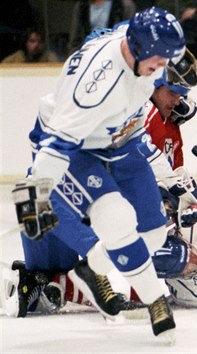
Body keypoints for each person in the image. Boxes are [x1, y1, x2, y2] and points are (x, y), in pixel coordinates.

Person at [10, 7, 187, 341]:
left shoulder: (134, 40)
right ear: (136, 49)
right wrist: (36, 195)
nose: (161, 68)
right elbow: (57, 145)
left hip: (118, 137)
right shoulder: (93, 90)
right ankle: (156, 303)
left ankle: (92, 269)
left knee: (154, 234)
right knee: (116, 219)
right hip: (78, 149)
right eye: (158, 60)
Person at [68, 0, 137, 55]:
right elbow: (75, 40)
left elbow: (129, 38)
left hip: (115, 55)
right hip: (87, 54)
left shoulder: (125, 5)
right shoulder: (81, 6)